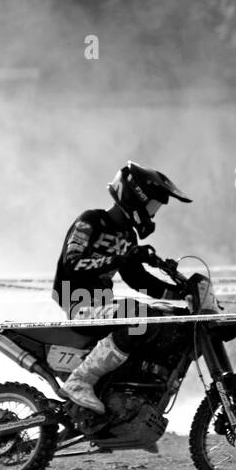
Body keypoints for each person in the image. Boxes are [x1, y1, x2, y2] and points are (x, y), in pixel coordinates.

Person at [52, 161, 191, 414]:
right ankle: (79, 380)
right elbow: (72, 264)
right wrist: (121, 257)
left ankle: (128, 403)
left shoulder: (128, 236)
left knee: (163, 318)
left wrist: (180, 292)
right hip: (79, 305)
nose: (153, 212)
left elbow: (137, 280)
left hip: (102, 307)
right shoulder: (91, 220)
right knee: (139, 315)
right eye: (152, 205)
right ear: (134, 197)